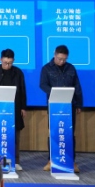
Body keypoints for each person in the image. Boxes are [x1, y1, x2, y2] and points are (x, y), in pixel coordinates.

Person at [39, 44, 83, 173]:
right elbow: (42, 85)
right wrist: (55, 92)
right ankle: (51, 160)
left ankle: (72, 161)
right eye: (59, 59)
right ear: (54, 55)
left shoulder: (71, 68)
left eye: (64, 59)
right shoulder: (46, 68)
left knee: (69, 134)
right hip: (54, 106)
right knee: (53, 133)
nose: (62, 61)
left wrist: (79, 104)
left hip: (69, 105)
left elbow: (77, 86)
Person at [0, 48, 27, 171]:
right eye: (5, 63)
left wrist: (23, 107)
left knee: (15, 136)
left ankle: (16, 161)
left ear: (13, 60)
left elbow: (23, 90)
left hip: (15, 107)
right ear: (0, 60)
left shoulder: (18, 73)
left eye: (10, 63)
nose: (7, 65)